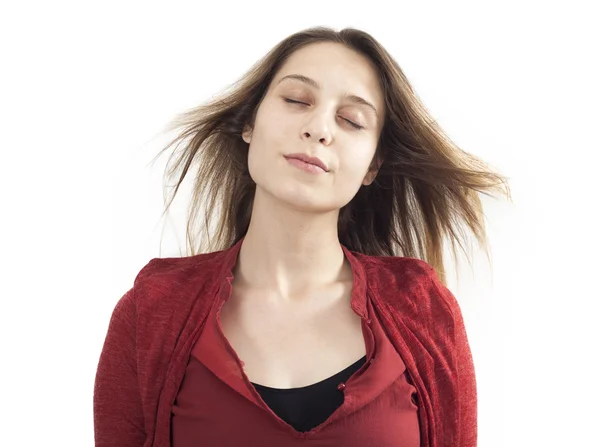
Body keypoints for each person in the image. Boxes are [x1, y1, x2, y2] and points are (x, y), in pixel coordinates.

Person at [94, 26, 509, 447]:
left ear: (372, 166)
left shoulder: (424, 310)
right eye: (296, 100)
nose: (318, 128)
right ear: (250, 122)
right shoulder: (150, 311)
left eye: (351, 120)